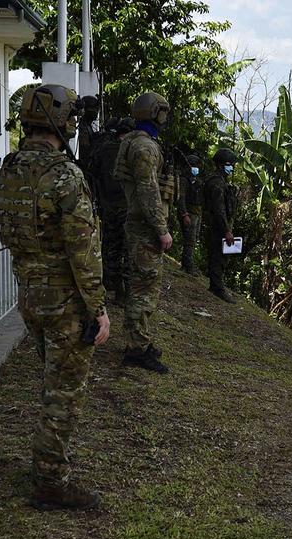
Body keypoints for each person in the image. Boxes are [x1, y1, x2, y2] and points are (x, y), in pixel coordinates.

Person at [0, 84, 109, 510]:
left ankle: (47, 464)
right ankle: (50, 481)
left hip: (30, 294)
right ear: (64, 123)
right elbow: (84, 251)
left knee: (53, 383)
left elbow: (9, 233)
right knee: (63, 393)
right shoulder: (66, 176)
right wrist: (97, 309)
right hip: (65, 302)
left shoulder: (9, 169)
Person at [114, 91, 174, 373]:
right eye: (163, 112)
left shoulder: (135, 142)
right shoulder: (144, 148)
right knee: (143, 289)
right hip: (144, 227)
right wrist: (161, 229)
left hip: (139, 224)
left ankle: (139, 340)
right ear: (155, 113)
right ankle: (137, 349)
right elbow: (148, 190)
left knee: (142, 287)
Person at [90, 117, 134, 305]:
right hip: (125, 206)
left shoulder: (103, 148)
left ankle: (111, 286)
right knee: (126, 248)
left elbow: (93, 173)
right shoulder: (131, 151)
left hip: (107, 205)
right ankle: (123, 292)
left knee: (110, 246)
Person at [202, 147, 240, 303]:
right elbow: (219, 210)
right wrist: (226, 230)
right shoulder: (217, 184)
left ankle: (215, 284)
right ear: (221, 165)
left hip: (216, 225)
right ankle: (217, 287)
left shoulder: (219, 181)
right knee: (219, 256)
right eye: (229, 165)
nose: (231, 168)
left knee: (218, 255)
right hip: (217, 226)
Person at [176, 149, 204, 276]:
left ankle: (188, 263)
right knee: (189, 240)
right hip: (189, 213)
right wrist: (184, 214)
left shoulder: (196, 180)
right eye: (194, 166)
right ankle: (187, 265)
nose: (197, 168)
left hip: (197, 213)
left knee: (193, 239)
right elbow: (180, 198)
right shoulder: (184, 180)